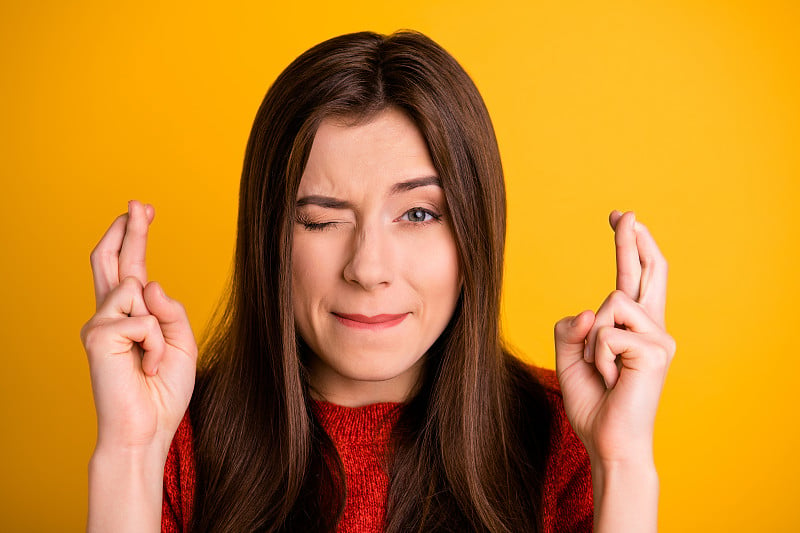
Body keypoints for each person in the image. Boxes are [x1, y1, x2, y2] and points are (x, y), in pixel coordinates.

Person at [81, 30, 675, 532]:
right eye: (319, 218)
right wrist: (131, 452)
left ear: (476, 230)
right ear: (268, 240)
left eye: (418, 214)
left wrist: (621, 461)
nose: (367, 268)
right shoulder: (175, 442)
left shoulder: (563, 439)